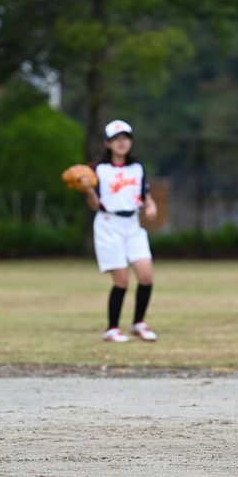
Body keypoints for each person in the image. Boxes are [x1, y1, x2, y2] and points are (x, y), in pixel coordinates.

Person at [83, 119, 159, 342]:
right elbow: (95, 204)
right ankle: (112, 328)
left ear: (131, 141)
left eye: (125, 138)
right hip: (109, 224)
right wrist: (88, 189)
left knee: (146, 275)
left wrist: (151, 205)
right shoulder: (98, 170)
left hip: (132, 224)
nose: (121, 142)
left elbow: (144, 194)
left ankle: (138, 323)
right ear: (107, 143)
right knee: (122, 280)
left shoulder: (137, 168)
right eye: (116, 139)